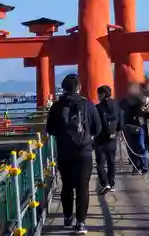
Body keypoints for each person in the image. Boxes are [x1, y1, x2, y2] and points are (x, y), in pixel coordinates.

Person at [46, 74, 102, 235]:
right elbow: (97, 128)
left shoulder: (56, 106)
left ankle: (67, 217)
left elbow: (50, 129)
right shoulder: (87, 104)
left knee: (67, 185)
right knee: (83, 187)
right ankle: (81, 223)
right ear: (79, 87)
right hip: (84, 151)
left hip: (64, 151)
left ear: (63, 88)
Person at [95, 85, 122, 195]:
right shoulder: (116, 105)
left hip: (101, 139)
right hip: (112, 137)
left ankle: (105, 182)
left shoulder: (98, 107)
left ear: (103, 94)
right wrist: (118, 131)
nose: (98, 96)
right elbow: (120, 119)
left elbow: (96, 124)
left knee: (100, 163)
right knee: (111, 161)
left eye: (99, 94)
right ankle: (112, 183)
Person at [122, 83, 149, 174]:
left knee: (141, 147)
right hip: (130, 126)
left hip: (141, 126)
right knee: (132, 148)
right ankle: (136, 167)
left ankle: (144, 166)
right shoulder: (130, 99)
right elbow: (123, 106)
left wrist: (145, 105)